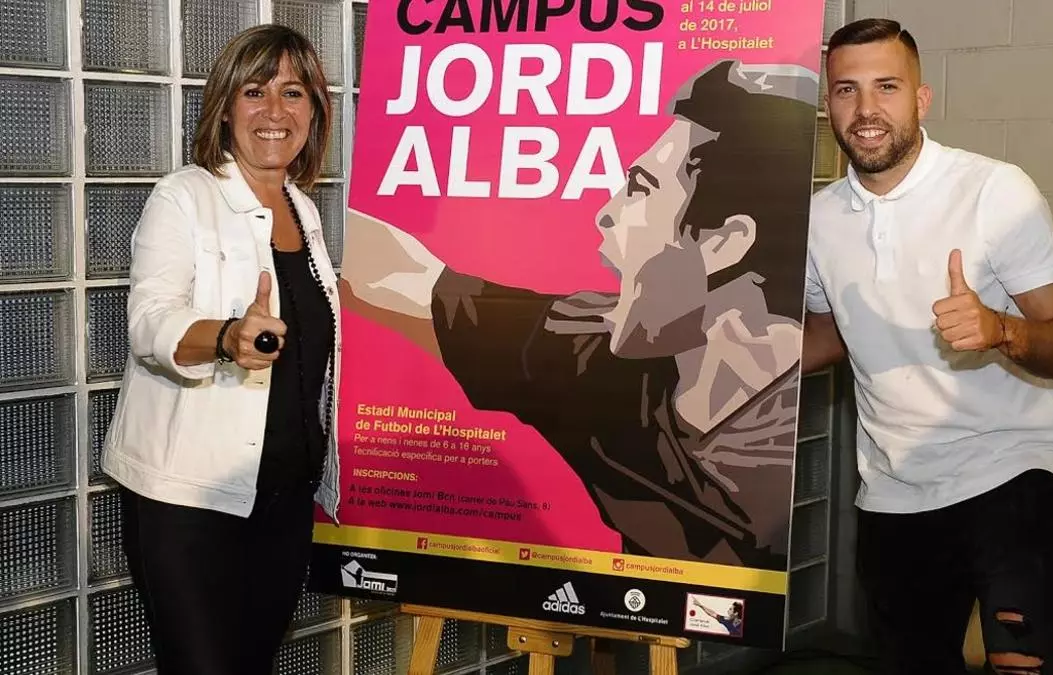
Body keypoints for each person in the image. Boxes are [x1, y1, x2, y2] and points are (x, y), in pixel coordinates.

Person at [339, 60, 817, 570]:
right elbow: (401, 276)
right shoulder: (597, 359)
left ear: (722, 242)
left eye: (640, 188)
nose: (605, 213)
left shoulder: (780, 465)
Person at [802, 18, 1053, 675]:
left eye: (887, 87)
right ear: (829, 104)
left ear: (921, 98)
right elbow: (830, 334)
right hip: (894, 490)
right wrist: (727, 356)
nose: (866, 109)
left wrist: (1000, 328)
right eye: (847, 90)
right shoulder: (820, 219)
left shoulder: (995, 190)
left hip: (1013, 472)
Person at [101, 24, 342, 675]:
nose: (274, 111)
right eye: (255, 91)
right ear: (226, 107)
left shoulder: (303, 210)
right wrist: (229, 336)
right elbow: (151, 322)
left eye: (293, 92)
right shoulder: (185, 195)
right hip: (191, 500)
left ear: (314, 111)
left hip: (285, 498)